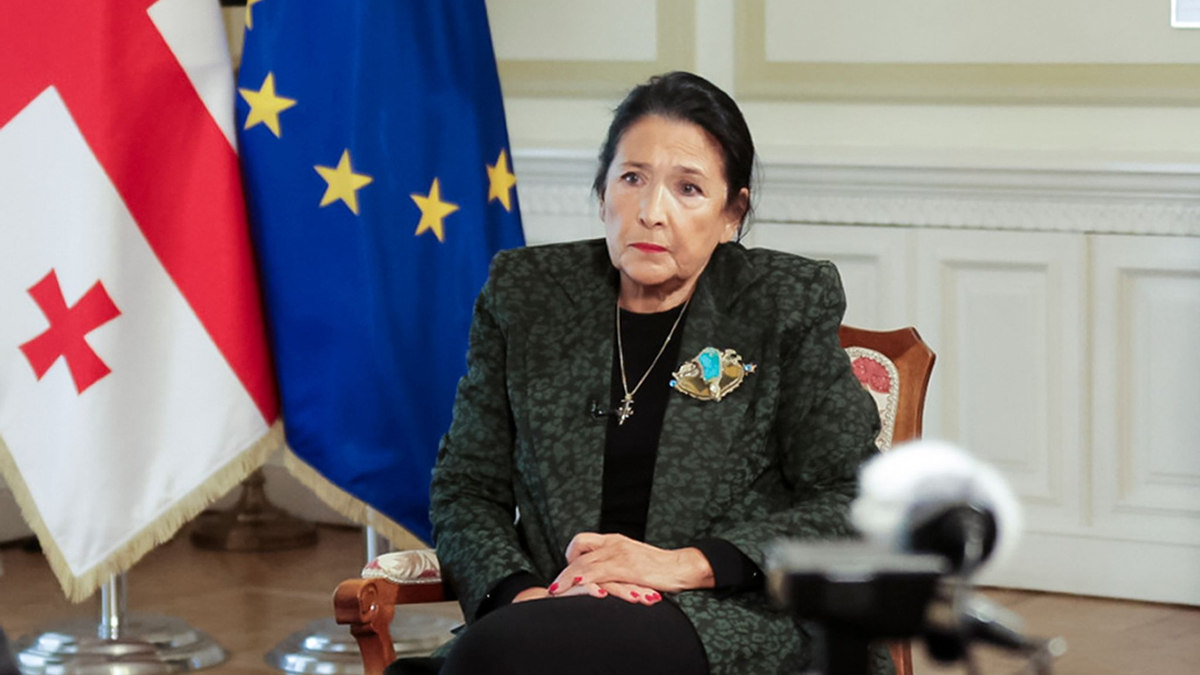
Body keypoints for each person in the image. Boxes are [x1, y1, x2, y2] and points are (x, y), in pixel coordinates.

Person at [389, 71, 889, 675]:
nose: (652, 213)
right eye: (632, 179)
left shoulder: (781, 303)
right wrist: (524, 597)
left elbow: (855, 499)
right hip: (548, 619)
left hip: (728, 617)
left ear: (731, 213)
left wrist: (680, 565)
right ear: (602, 193)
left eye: (688, 189)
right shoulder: (526, 296)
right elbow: (467, 489)